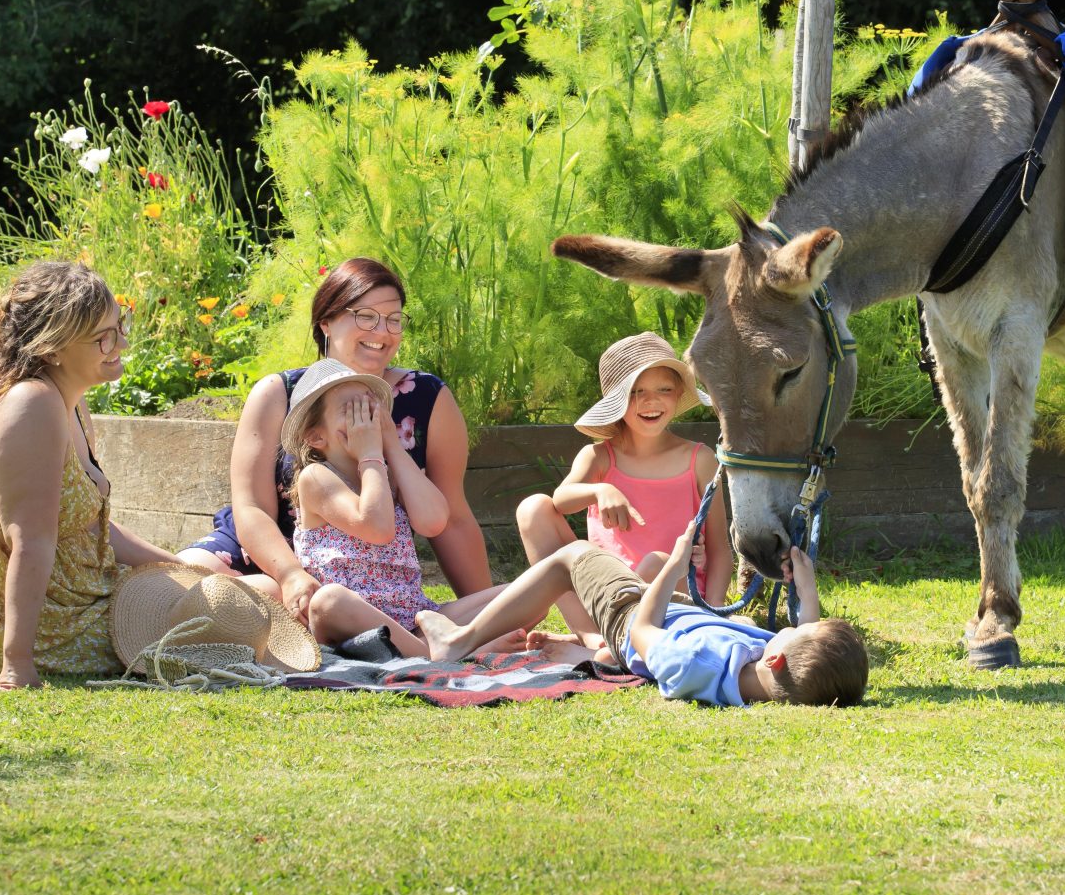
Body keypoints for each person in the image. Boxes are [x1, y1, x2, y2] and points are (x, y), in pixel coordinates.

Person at [174, 258, 493, 627]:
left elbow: (451, 517)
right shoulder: (280, 393)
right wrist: (291, 574)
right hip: (270, 550)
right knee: (184, 582)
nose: (383, 331)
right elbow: (252, 508)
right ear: (326, 322)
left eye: (394, 319)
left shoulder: (426, 397)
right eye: (366, 316)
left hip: (356, 567)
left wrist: (486, 614)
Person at [0, 262, 180, 689]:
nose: (121, 342)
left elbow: (87, 526)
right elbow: (29, 543)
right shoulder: (32, 406)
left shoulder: (69, 401)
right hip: (46, 626)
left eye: (119, 324)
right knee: (232, 613)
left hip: (73, 597)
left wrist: (178, 566)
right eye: (103, 336)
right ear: (53, 347)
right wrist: (16, 664)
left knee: (212, 579)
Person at [416, 522, 869, 707]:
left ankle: (459, 641)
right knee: (647, 563)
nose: (789, 627)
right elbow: (806, 632)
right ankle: (589, 647)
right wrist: (804, 582)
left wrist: (671, 571)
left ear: (779, 660)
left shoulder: (697, 663)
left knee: (571, 557)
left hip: (631, 619)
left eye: (792, 632)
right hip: (678, 616)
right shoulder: (759, 673)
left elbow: (643, 631)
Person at [272, 359, 519, 655]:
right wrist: (371, 455)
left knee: (517, 595)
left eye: (369, 408)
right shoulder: (316, 477)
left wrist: (391, 445)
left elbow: (433, 522)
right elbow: (377, 527)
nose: (363, 419)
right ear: (315, 436)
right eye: (350, 410)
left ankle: (443, 645)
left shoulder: (386, 473)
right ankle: (439, 653)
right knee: (329, 600)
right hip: (351, 619)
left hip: (411, 615)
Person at [514, 331, 731, 657]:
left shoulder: (700, 460)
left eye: (664, 390)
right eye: (636, 391)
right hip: (606, 597)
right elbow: (561, 500)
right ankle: (593, 639)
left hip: (673, 597)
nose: (651, 400)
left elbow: (721, 551)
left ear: (679, 394)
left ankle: (614, 645)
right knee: (534, 509)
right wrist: (600, 489)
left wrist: (714, 613)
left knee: (657, 563)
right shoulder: (599, 457)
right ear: (617, 399)